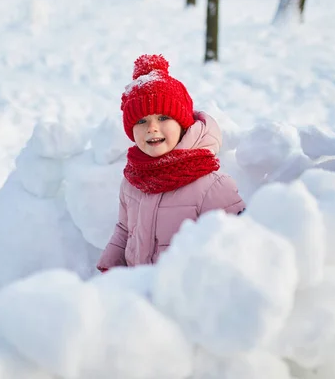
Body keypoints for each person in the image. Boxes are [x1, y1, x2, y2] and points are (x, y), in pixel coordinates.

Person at [97, 54, 246, 272]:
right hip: (136, 293)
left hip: (183, 298)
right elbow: (124, 229)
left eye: (163, 118)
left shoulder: (213, 186)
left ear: (182, 123)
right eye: (141, 121)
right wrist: (109, 269)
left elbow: (236, 246)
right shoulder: (132, 181)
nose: (152, 128)